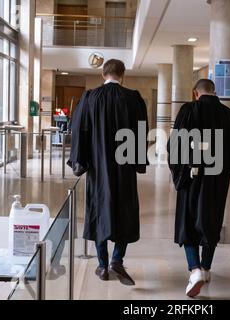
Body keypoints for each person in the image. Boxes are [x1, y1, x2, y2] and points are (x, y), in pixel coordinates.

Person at [68, 59, 148, 286]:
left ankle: (102, 265)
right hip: (124, 168)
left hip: (98, 168)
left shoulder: (90, 97)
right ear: (122, 75)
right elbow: (142, 131)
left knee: (99, 212)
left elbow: (79, 128)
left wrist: (78, 161)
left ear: (103, 74)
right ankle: (117, 260)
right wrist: (138, 162)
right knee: (125, 211)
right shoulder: (133, 98)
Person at [167, 79, 230, 297]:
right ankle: (206, 267)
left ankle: (195, 269)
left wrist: (179, 172)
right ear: (214, 92)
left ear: (195, 93)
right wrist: (224, 172)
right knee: (212, 220)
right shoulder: (228, 115)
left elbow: (176, 144)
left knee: (188, 223)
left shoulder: (189, 110)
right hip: (217, 180)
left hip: (192, 177)